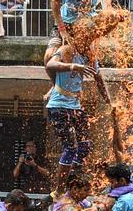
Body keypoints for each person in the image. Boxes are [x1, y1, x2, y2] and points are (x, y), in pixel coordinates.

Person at [45, 43, 110, 183]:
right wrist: (74, 66)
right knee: (71, 147)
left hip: (75, 106)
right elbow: (50, 65)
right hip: (59, 106)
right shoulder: (67, 49)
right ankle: (60, 188)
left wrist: (109, 101)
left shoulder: (90, 55)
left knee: (84, 146)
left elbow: (98, 79)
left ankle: (72, 181)